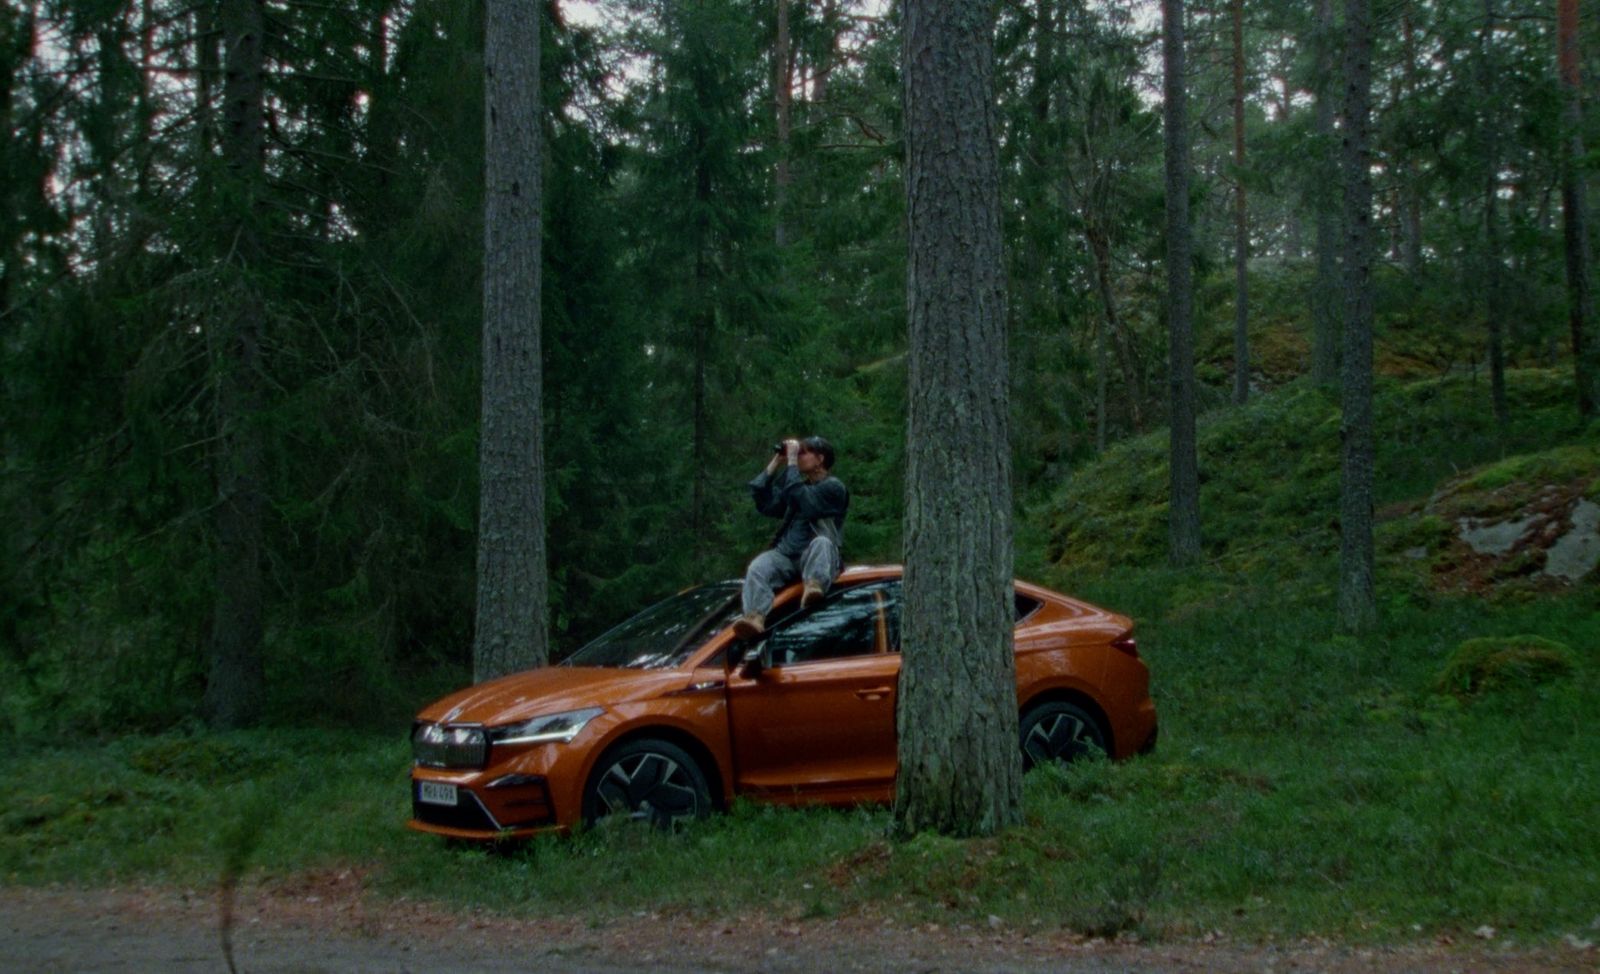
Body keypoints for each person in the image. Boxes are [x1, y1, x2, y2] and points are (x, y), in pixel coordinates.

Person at [732, 435, 849, 639]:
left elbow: (806, 502)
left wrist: (793, 462)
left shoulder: (834, 488)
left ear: (820, 459)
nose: (798, 457)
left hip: (814, 556)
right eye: (798, 453)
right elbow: (765, 503)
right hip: (786, 556)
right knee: (758, 566)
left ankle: (814, 586)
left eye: (803, 452)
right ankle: (754, 618)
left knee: (822, 542)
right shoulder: (797, 487)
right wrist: (777, 461)